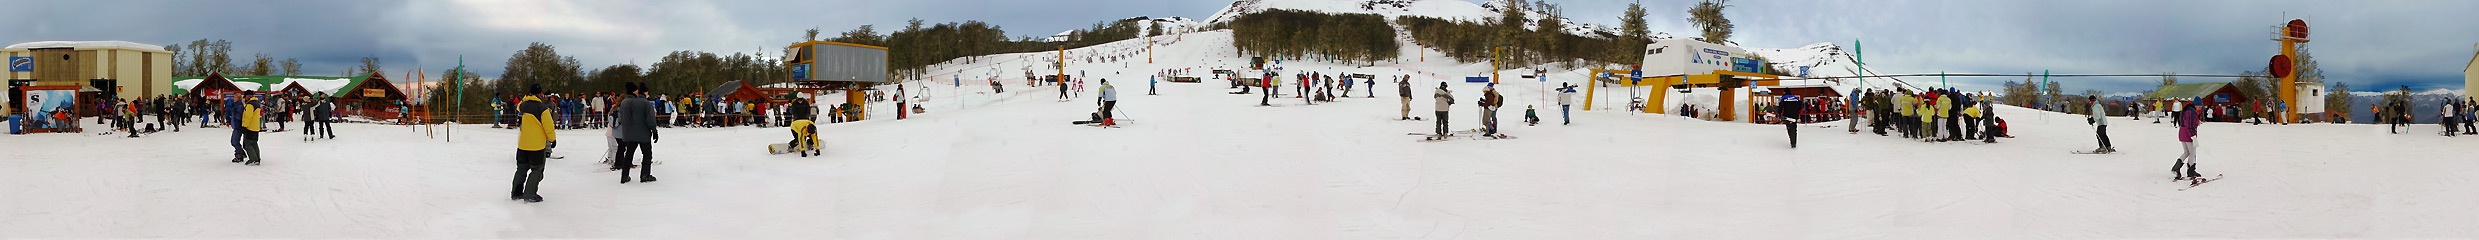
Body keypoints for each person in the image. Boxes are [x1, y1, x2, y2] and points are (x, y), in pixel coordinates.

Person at [511, 84, 557, 203]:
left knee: (521, 169)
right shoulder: (542, 108)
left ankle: (516, 193)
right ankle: (530, 194)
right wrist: (552, 139)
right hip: (536, 146)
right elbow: (548, 126)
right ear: (540, 94)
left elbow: (519, 106)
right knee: (537, 170)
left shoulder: (523, 105)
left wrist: (526, 97)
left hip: (522, 144)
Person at [2172, 102, 2202, 180]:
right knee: (2192, 152)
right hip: (2188, 134)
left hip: (2182, 132)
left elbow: (2184, 122)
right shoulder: (2192, 112)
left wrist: (2197, 123)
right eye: (2199, 106)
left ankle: (2176, 167)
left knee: (2187, 152)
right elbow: (2189, 125)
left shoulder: (2185, 110)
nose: (2200, 108)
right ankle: (2191, 171)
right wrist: (2193, 136)